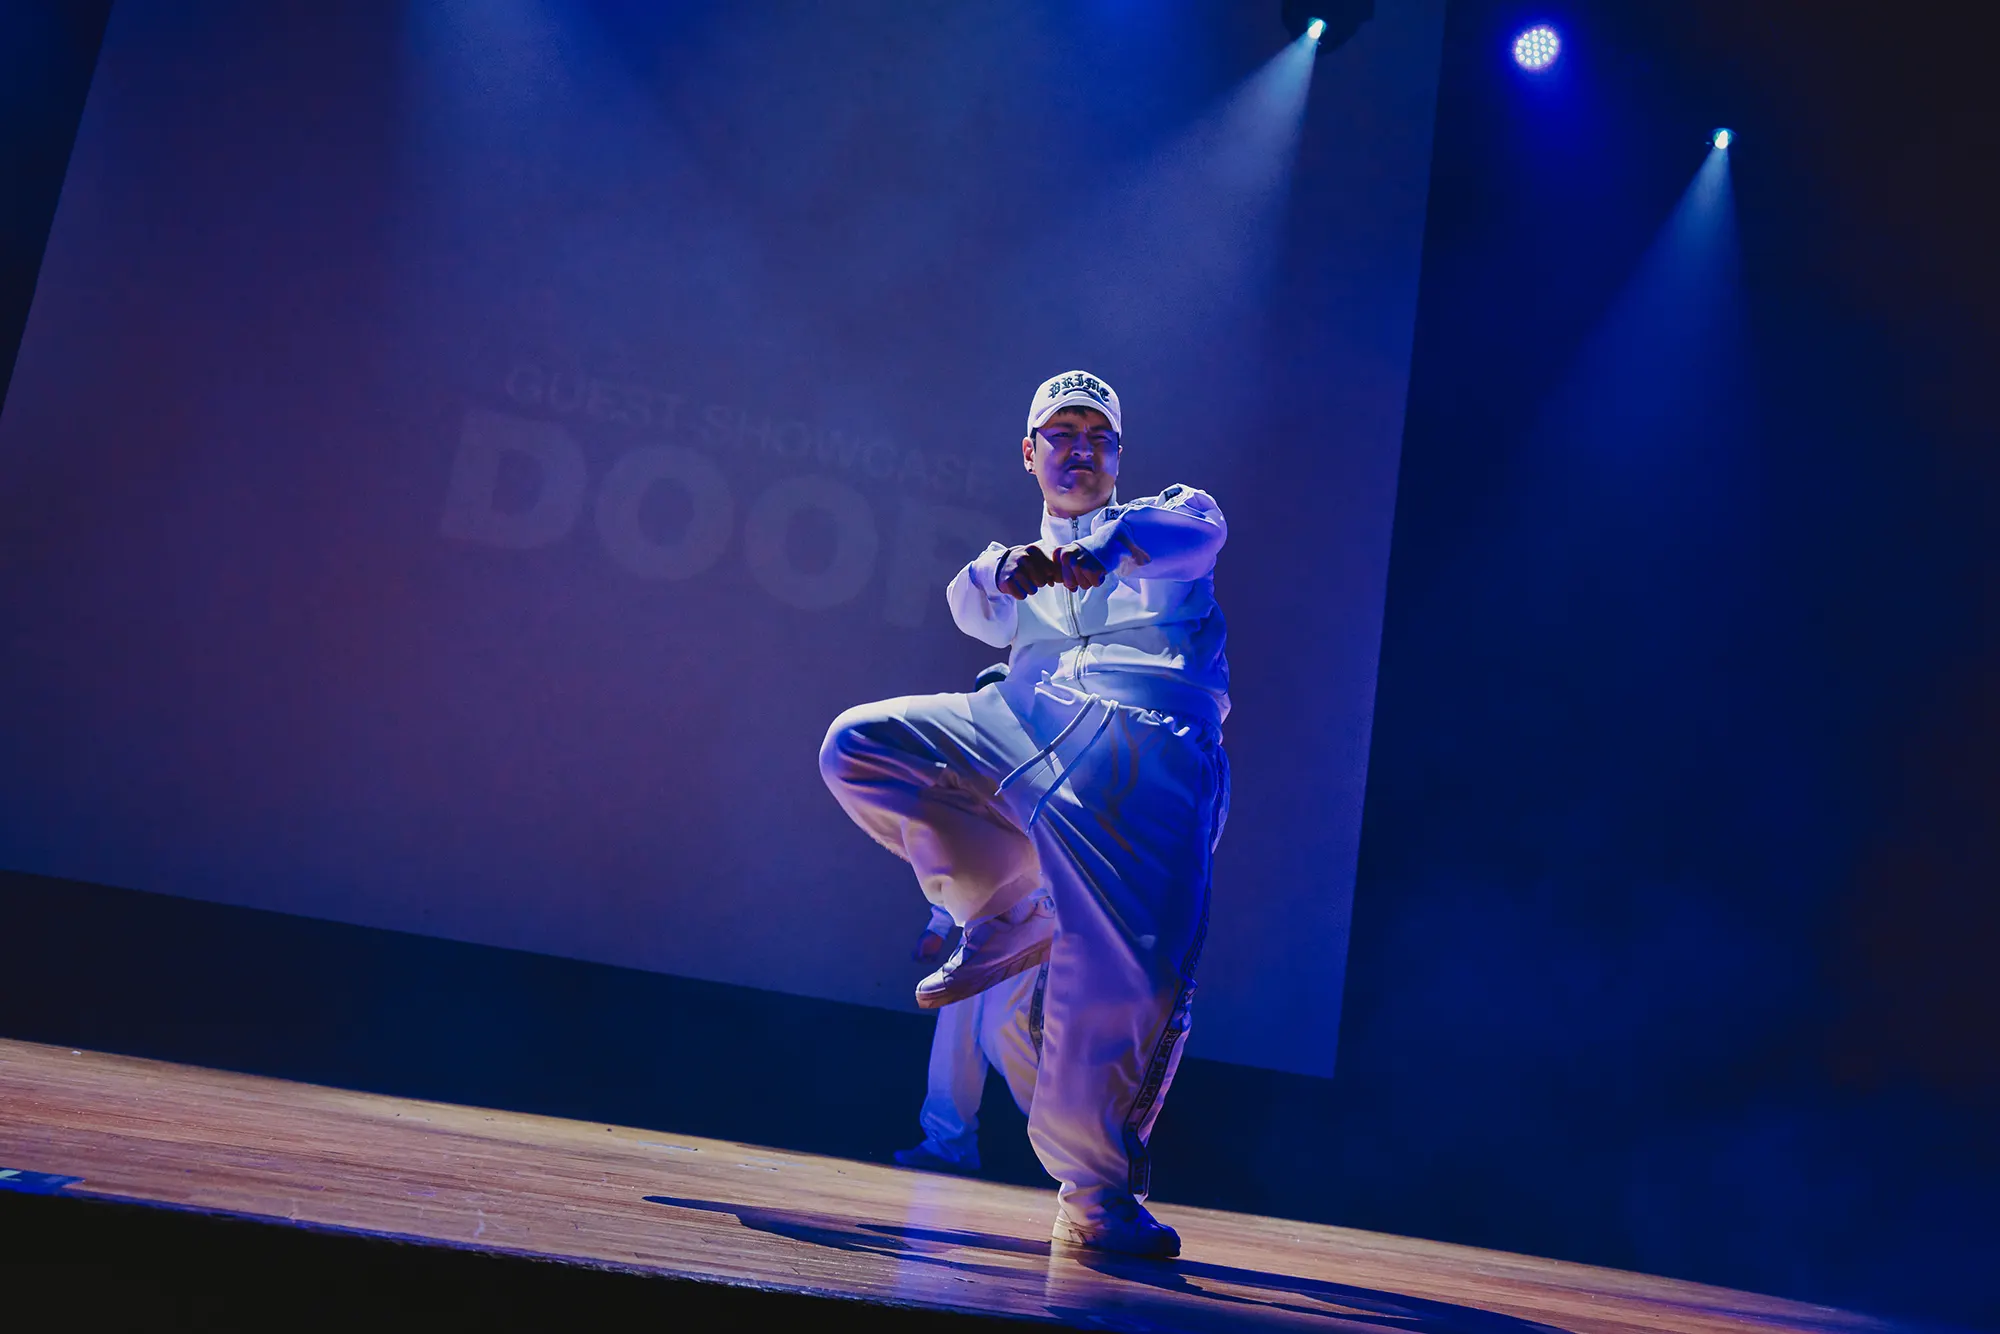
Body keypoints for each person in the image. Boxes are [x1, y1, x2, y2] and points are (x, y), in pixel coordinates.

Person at [820, 370, 1230, 1257]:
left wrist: (1109, 548)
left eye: (1097, 436)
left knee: (1125, 989)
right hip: (1031, 729)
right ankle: (1007, 906)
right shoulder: (1019, 566)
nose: (1080, 450)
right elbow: (970, 603)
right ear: (1029, 452)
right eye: (1061, 434)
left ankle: (1096, 1197)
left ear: (1118, 454)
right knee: (860, 745)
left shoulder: (1167, 516)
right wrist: (1003, 569)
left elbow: (1193, 534)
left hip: (1144, 756)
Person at [892, 903, 1045, 1176]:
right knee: (955, 1031)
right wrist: (938, 926)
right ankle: (948, 1145)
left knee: (1004, 1032)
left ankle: (1073, 1140)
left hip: (1036, 925)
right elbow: (964, 875)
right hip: (981, 925)